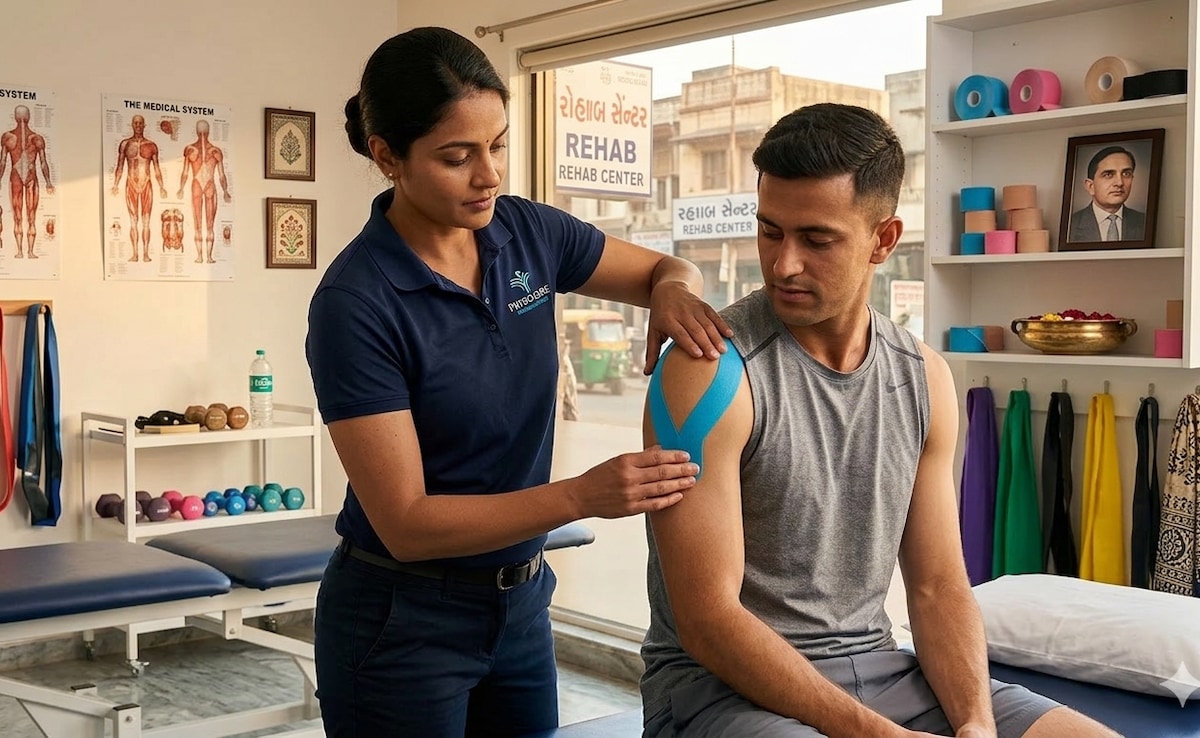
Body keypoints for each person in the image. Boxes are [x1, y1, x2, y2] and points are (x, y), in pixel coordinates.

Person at [640, 103, 1121, 738]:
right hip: (720, 692)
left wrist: (976, 726)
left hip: (881, 670)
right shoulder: (706, 369)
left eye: (816, 240)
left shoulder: (924, 377)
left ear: (884, 240)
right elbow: (707, 621)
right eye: (770, 231)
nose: (783, 264)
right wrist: (879, 736)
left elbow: (938, 586)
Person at [305, 26, 731, 738]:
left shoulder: (527, 233)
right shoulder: (356, 303)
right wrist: (582, 496)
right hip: (401, 622)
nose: (489, 176)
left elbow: (667, 267)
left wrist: (673, 291)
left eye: (498, 146)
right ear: (387, 157)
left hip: (521, 606)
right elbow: (406, 524)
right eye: (457, 157)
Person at [0, 105, 55, 259]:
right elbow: (43, 162)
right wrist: (48, 182)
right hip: (30, 177)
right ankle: (28, 252)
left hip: (17, 177)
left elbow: (3, 162)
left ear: (15, 117)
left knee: (19, 217)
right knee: (31, 217)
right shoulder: (36, 139)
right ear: (29, 117)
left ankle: (21, 251)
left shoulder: (8, 137)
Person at [111, 114, 166, 262]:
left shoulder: (151, 145)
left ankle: (146, 254)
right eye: (135, 123)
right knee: (133, 221)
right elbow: (120, 166)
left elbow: (156, 168)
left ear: (144, 125)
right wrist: (115, 184)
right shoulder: (125, 144)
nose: (138, 126)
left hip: (146, 183)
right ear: (132, 125)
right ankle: (135, 254)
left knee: (146, 221)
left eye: (140, 123)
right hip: (131, 184)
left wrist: (161, 186)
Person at [177, 119, 231, 264]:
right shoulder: (192, 150)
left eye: (203, 132)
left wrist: (225, 190)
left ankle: (206, 256)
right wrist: (181, 188)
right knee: (199, 223)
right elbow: (185, 172)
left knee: (208, 224)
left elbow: (221, 174)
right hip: (199, 184)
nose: (202, 135)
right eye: (201, 132)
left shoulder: (214, 151)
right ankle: (202, 256)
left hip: (207, 185)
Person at [1067, 145, 1145, 242]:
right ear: (1090, 186)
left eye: (1126, 174)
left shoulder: (1145, 222)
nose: (1120, 183)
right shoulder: (1071, 225)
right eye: (1108, 175)